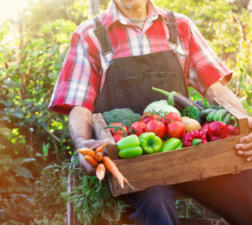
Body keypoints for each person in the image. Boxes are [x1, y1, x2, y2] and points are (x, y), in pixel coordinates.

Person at [49, 0, 252, 224]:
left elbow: (214, 87)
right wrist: (82, 143)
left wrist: (245, 125)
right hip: (132, 165)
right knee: (156, 204)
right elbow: (80, 105)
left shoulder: (179, 26)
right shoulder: (91, 35)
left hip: (186, 152)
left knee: (246, 191)